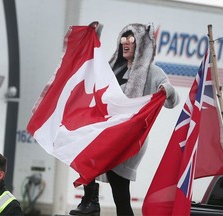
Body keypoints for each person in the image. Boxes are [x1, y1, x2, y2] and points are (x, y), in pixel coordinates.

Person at [69, 23, 179, 216]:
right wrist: (95, 34)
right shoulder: (114, 68)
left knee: (120, 192)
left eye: (131, 39)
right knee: (84, 151)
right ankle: (91, 201)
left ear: (142, 45)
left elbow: (173, 101)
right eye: (123, 39)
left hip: (130, 139)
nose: (125, 44)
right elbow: (92, 68)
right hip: (109, 134)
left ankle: (92, 203)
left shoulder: (152, 71)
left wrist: (166, 90)